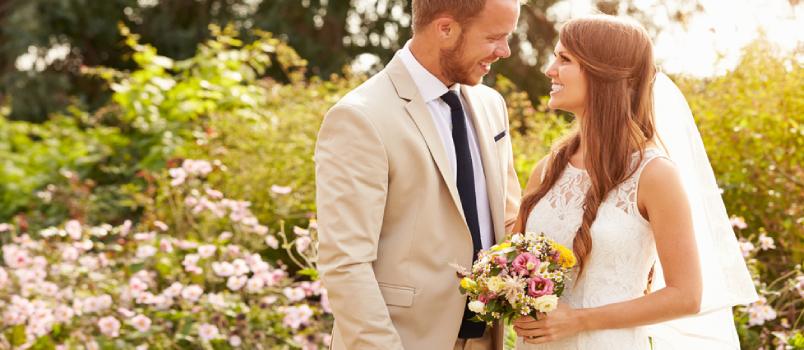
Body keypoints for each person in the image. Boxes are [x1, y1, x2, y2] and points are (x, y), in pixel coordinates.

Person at [511, 15, 757, 349]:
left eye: (564, 59)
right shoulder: (547, 169)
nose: (549, 69)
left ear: (603, 74)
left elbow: (685, 296)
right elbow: (515, 262)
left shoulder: (655, 175)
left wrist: (579, 320)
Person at [314, 0, 522, 349]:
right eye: (494, 37)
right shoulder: (360, 117)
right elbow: (345, 264)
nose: (505, 51)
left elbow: (508, 217)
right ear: (445, 29)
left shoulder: (491, 105)